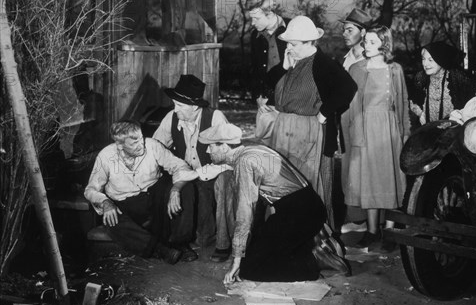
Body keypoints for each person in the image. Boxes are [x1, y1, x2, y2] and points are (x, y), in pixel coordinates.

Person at [198, 123, 351, 283]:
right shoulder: (251, 149)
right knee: (260, 252)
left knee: (250, 269)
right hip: (307, 207)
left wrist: (236, 260)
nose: (208, 150)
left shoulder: (245, 163)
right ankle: (314, 244)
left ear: (223, 147)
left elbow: (244, 215)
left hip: (298, 214)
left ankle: (315, 260)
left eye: (210, 146)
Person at [268, 15, 357, 228]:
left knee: (311, 187)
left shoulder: (323, 63)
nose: (288, 47)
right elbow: (268, 83)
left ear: (309, 43)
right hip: (285, 133)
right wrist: (284, 66)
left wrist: (325, 112)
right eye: (287, 43)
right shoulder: (292, 60)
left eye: (293, 44)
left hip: (310, 137)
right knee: (284, 187)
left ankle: (315, 243)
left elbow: (348, 88)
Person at [84, 120, 202, 264]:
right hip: (126, 204)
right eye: (134, 143)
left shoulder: (152, 145)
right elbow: (90, 189)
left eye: (141, 139)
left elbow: (181, 166)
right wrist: (106, 202)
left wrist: (175, 190)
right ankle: (159, 250)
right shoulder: (105, 157)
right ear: (120, 145)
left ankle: (180, 243)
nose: (141, 145)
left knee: (186, 188)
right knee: (111, 221)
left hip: (154, 198)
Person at [341, 25, 411, 249]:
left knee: (389, 177)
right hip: (365, 129)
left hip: (389, 130)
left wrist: (405, 132)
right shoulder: (356, 68)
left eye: (372, 42)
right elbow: (349, 106)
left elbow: (402, 103)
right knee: (370, 179)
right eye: (365, 42)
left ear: (385, 43)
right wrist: (351, 135)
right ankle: (372, 232)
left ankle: (389, 232)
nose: (366, 46)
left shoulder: (396, 70)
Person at [152, 74, 233, 262]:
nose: (175, 109)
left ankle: (220, 241)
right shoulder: (171, 117)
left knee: (217, 186)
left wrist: (200, 173)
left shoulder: (215, 117)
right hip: (184, 172)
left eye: (180, 105)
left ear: (195, 107)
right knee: (172, 189)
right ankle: (179, 241)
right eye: (174, 104)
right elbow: (156, 147)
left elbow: (227, 156)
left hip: (213, 170)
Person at [338, 8, 373, 234]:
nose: (344, 33)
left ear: (363, 32)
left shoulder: (369, 60)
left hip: (363, 120)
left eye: (349, 29)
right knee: (348, 167)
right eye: (344, 29)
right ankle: (355, 216)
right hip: (345, 119)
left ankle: (363, 221)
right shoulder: (347, 58)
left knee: (362, 168)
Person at [409, 41, 476, 127]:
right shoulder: (420, 77)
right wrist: (420, 113)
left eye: (430, 60)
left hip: (453, 130)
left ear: (441, 60)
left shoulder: (457, 77)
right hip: (428, 129)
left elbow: (471, 104)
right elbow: (413, 101)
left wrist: (456, 119)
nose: (425, 64)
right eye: (423, 59)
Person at [246, 0, 288, 105]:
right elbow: (255, 68)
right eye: (251, 18)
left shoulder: (292, 27)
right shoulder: (255, 35)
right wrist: (257, 96)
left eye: (256, 18)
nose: (252, 23)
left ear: (269, 13)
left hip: (292, 99)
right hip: (266, 102)